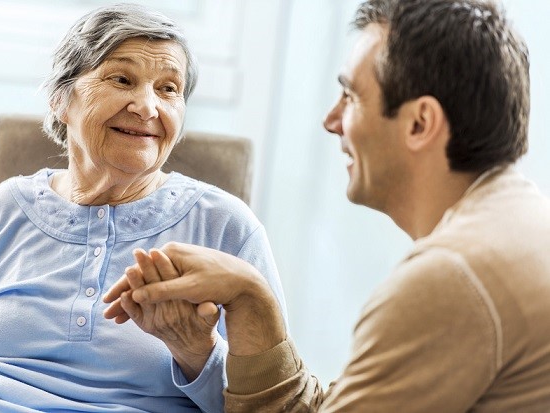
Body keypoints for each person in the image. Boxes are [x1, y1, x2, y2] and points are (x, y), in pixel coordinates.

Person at [104, 0, 550, 411]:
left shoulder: (450, 280)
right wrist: (251, 296)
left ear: (419, 123)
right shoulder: (519, 224)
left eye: (351, 96)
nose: (331, 120)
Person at [0, 3, 287, 412]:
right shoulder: (6, 206)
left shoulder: (226, 227)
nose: (148, 107)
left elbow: (271, 404)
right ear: (60, 99)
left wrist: (197, 351)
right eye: (122, 79)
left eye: (168, 89)